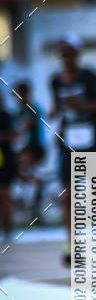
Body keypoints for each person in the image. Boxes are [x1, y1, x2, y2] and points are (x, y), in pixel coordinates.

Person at [49, 34, 96, 265]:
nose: (66, 58)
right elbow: (55, 108)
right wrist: (55, 110)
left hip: (93, 141)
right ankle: (71, 247)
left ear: (78, 54)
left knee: (94, 193)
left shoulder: (90, 77)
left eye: (70, 54)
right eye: (63, 54)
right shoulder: (55, 81)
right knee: (67, 196)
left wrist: (84, 105)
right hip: (68, 144)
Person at [13, 82, 46, 217]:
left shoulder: (33, 109)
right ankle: (35, 186)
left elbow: (22, 128)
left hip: (35, 148)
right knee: (13, 169)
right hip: (25, 149)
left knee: (15, 165)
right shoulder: (19, 112)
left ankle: (37, 186)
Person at [0, 91, 17, 243]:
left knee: (5, 196)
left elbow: (14, 135)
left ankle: (7, 230)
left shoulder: (6, 116)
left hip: (5, 162)